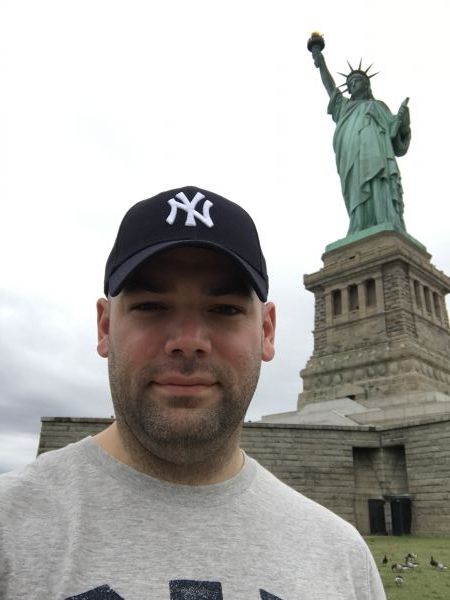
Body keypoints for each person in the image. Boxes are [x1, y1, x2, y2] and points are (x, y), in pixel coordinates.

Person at [0, 186, 386, 599]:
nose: (188, 341)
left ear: (267, 331)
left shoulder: (343, 560)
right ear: (105, 326)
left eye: (224, 309)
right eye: (151, 306)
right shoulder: (10, 529)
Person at [311, 45, 411, 235]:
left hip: (378, 154)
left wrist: (403, 121)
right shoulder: (344, 107)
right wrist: (320, 62)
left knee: (379, 181)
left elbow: (397, 138)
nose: (352, 85)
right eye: (350, 84)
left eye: (356, 81)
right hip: (351, 155)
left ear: (366, 84)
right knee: (356, 188)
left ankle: (385, 218)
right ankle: (359, 223)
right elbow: (330, 87)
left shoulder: (378, 106)